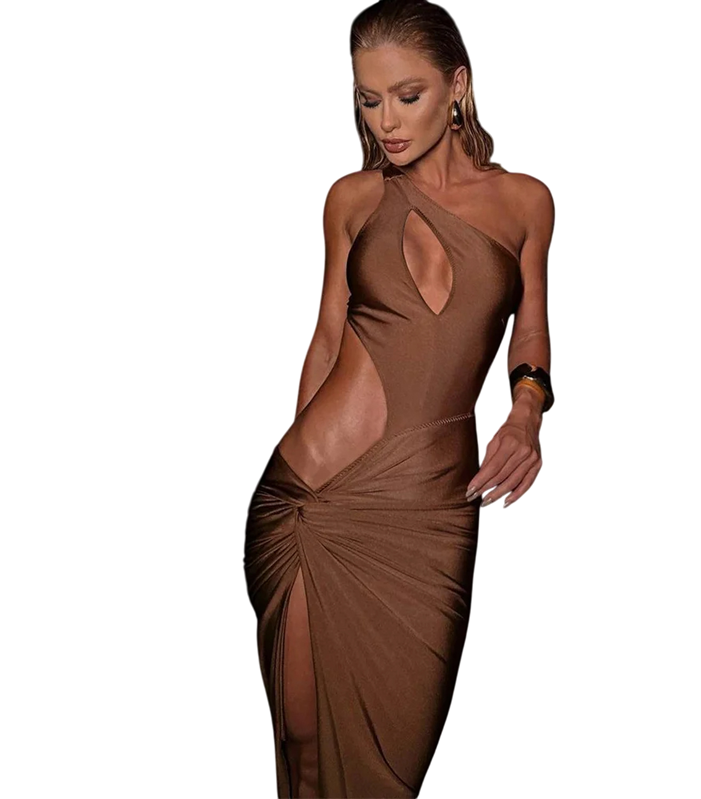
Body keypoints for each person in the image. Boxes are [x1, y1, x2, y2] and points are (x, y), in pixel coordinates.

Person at [243, 1, 555, 796]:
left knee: (393, 769)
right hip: (313, 499)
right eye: (368, 99)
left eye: (406, 96)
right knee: (306, 748)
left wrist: (526, 412)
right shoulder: (351, 199)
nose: (385, 121)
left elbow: (530, 328)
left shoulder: (526, 202)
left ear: (458, 86)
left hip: (431, 513)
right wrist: (302, 492)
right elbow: (325, 340)